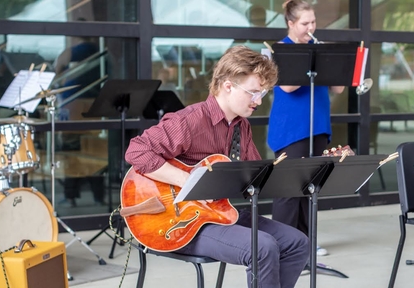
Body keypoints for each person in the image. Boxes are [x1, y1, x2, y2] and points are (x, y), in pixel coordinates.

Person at [125, 45, 309, 288]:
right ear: (228, 85)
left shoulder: (241, 126)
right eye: (253, 92)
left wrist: (300, 175)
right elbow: (136, 151)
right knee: (263, 247)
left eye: (262, 93)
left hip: (218, 212)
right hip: (182, 223)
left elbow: (254, 175)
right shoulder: (190, 120)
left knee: (298, 242)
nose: (258, 101)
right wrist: (189, 182)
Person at [267, 0, 344, 257]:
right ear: (291, 23)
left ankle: (307, 242)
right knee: (288, 191)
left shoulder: (316, 48)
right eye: (305, 23)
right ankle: (284, 246)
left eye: (313, 22)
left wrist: (334, 64)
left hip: (318, 126)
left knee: (311, 188)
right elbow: (288, 87)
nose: (311, 28)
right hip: (292, 128)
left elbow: (338, 88)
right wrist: (313, 59)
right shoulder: (282, 49)